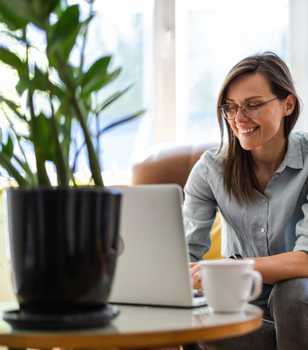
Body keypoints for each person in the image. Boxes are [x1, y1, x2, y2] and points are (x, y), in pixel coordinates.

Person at [183, 52, 308, 350]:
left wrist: (231, 268)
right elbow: (183, 255)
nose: (239, 119)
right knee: (191, 314)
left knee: (291, 291)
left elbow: (306, 259)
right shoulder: (211, 169)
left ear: (287, 105)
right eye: (231, 107)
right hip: (240, 307)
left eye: (252, 105)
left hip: (301, 305)